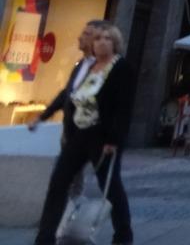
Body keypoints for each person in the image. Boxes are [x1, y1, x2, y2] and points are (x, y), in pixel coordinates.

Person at [31, 23, 135, 245]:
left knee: (111, 187)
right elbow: (68, 96)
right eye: (98, 39)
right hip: (78, 135)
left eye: (107, 38)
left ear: (115, 43)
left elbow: (123, 107)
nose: (101, 42)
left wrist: (114, 140)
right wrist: (44, 115)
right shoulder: (87, 67)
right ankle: (45, 237)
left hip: (102, 137)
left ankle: (123, 234)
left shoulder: (121, 68)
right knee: (58, 183)